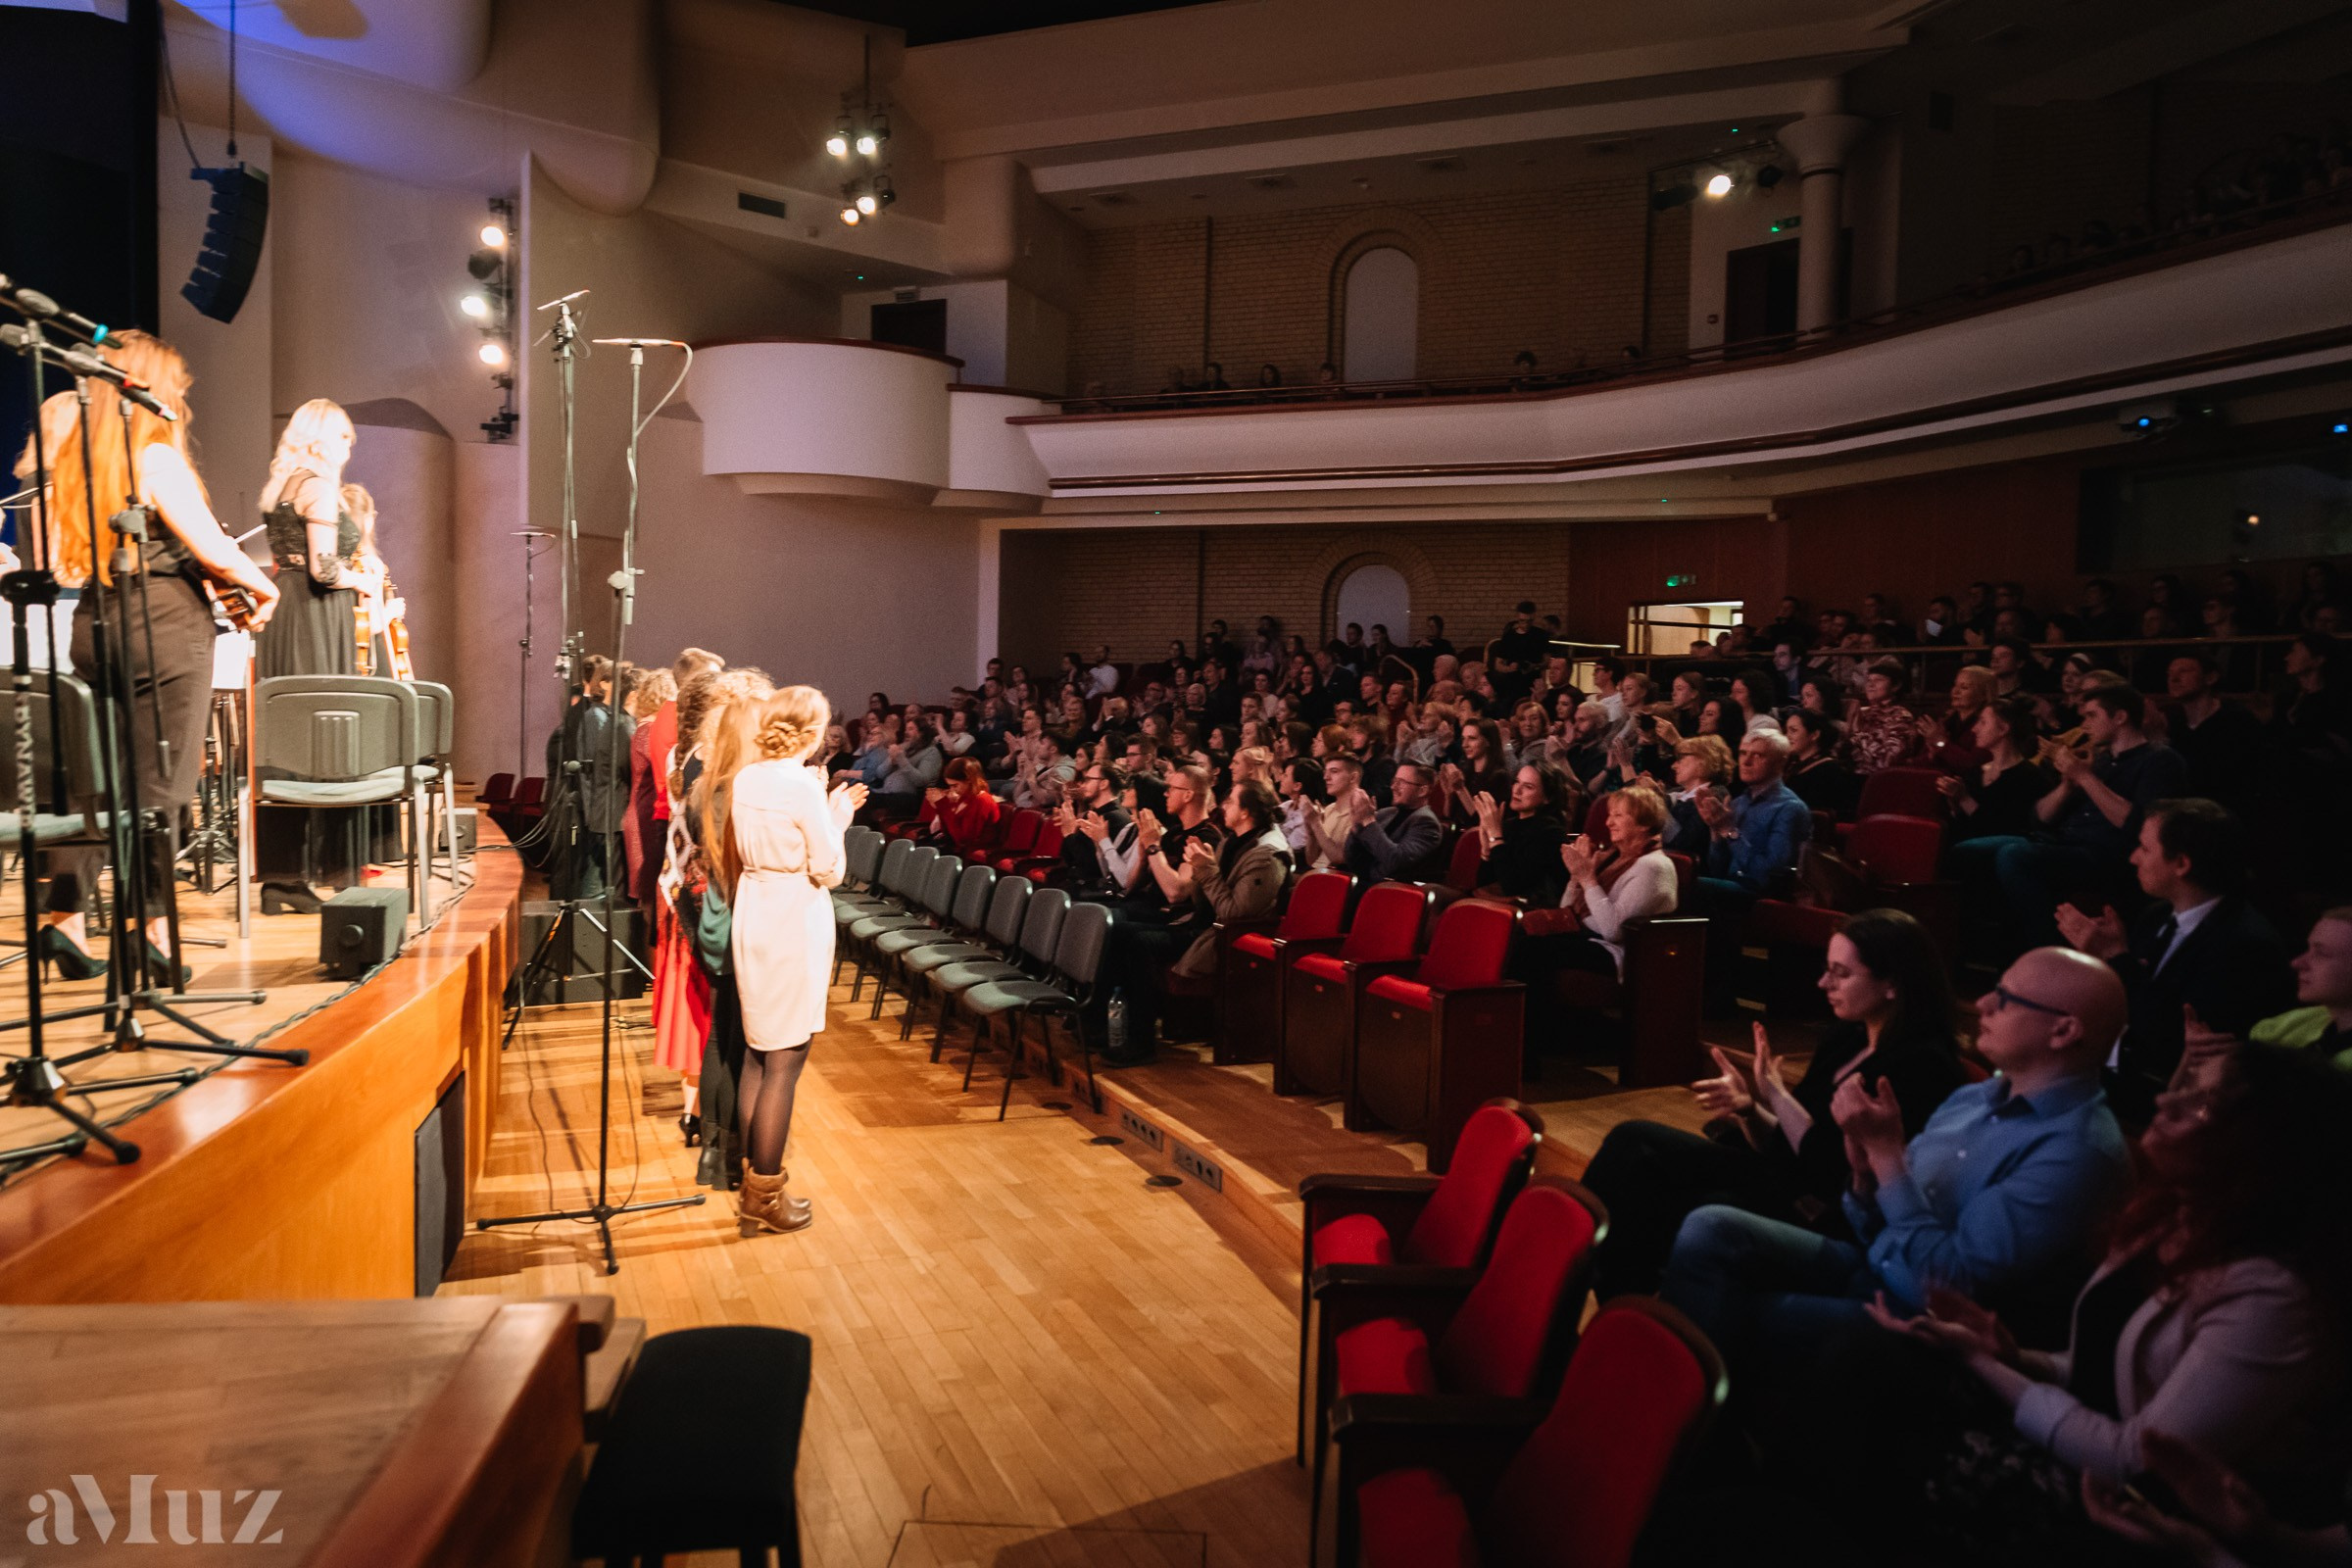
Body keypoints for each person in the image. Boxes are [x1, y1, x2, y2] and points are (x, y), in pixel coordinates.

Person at [1855, 1044, 2352, 1567]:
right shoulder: (2174, 1216)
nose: (2164, 1101)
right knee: (1880, 1367)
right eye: (2180, 1087)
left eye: (2200, 1103)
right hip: (2091, 1441)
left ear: (2262, 1148)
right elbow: (2105, 1368)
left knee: (1903, 1439)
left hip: (2154, 1507)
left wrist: (1979, 1362)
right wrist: (2015, 1357)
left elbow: (2134, 1457)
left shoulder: (2272, 1294)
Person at [1659, 946, 2133, 1374]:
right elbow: (1877, 1220)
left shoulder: (2077, 1150)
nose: (1983, 1004)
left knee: (1735, 1309)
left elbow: (1951, 1287)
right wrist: (1865, 1185)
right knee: (1710, 1226)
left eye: (2007, 999)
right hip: (1873, 1260)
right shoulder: (1978, 1097)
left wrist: (1887, 1159)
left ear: (2064, 1030)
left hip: (1923, 1316)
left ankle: (1694, 1431)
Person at [25, 331, 281, 975]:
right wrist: (262, 583)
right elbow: (213, 550)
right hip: (164, 625)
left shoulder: (77, 469)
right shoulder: (156, 455)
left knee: (97, 783)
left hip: (94, 622)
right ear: (149, 389)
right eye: (178, 388)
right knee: (160, 788)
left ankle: (65, 918)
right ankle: (152, 934)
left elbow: (56, 561)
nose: (183, 400)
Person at [1583, 909, 1969, 1301]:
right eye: (1826, 969)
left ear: (1893, 985)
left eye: (1842, 974)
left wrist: (1777, 1095)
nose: (1824, 983)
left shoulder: (1922, 1064)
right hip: (1782, 1175)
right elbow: (1789, 1141)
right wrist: (1751, 1109)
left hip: (1829, 1210)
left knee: (1692, 1204)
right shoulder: (1846, 1039)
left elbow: (1826, 1170)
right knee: (1633, 1142)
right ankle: (1596, 1285)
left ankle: (1634, 1308)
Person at [717, 686, 866, 1235]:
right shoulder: (802, 785)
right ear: (809, 735)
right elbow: (828, 869)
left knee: (759, 1052)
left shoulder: (749, 776)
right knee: (786, 1060)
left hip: (755, 909)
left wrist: (820, 806)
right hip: (791, 916)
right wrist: (838, 813)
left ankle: (753, 1185)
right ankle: (765, 1197)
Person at [2055, 799, 2293, 1117]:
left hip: (2172, 1101)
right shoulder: (2158, 915)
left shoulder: (2244, 945)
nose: (2133, 857)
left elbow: (2165, 1040)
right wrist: (2098, 960)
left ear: (2181, 864)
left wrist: (2115, 958)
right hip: (2117, 1071)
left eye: (2144, 848)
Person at [1950, 685, 2189, 951]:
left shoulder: (2159, 760)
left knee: (2012, 856)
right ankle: (1983, 946)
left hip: (2107, 854)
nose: (2084, 724)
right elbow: (2039, 818)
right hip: (2062, 841)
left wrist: (2085, 777)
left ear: (2120, 717)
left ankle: (2046, 951)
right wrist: (2067, 784)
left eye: (2091, 716)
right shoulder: (2101, 761)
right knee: (1965, 852)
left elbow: (2138, 824)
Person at [253, 396, 372, 912]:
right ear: (322, 438)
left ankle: (281, 879)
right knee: (327, 738)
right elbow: (325, 569)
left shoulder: (283, 486)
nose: (349, 447)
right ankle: (335, 871)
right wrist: (362, 578)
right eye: (344, 437)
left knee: (288, 748)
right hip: (316, 618)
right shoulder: (319, 488)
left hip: (288, 616)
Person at [1102, 778, 1292, 1067]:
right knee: (1118, 931)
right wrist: (1195, 869)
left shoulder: (1266, 856)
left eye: (1230, 801)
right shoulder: (1234, 841)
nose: (1223, 805)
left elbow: (1234, 914)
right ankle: (1107, 1029)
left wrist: (1204, 871)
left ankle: (1140, 1043)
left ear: (1245, 812)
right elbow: (1196, 893)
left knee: (1139, 943)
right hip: (1200, 926)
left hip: (1222, 940)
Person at [549, 656, 633, 901]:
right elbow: (598, 769)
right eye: (621, 681)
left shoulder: (606, 715)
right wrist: (592, 815)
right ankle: (586, 930)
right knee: (597, 880)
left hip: (601, 808)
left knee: (601, 876)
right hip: (601, 809)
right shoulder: (596, 717)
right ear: (604, 683)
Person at [1939, 695, 2055, 843]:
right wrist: (1954, 803)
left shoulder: (2030, 777)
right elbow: (1963, 824)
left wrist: (1964, 799)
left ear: (2003, 729)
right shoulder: (1976, 773)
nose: (1975, 729)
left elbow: (2004, 831)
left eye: (1983, 722)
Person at [2162, 650, 2262, 811]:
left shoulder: (2236, 720)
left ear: (2210, 678)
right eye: (2169, 674)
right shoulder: (2174, 721)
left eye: (2184, 671)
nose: (2174, 679)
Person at [1470, 761, 1573, 905]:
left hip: (1532, 912)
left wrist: (1496, 837)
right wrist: (1486, 851)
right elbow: (1484, 884)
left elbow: (1512, 887)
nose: (1517, 790)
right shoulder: (1508, 825)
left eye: (1528, 787)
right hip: (1502, 906)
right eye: (1517, 782)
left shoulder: (1551, 833)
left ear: (1546, 798)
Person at [1340, 760, 1445, 882]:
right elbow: (1350, 858)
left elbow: (1396, 860)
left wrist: (1368, 820)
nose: (1393, 787)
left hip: (1390, 890)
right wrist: (1356, 827)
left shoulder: (1427, 823)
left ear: (1422, 791)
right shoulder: (1386, 813)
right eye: (1394, 781)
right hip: (1362, 882)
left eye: (1401, 783)